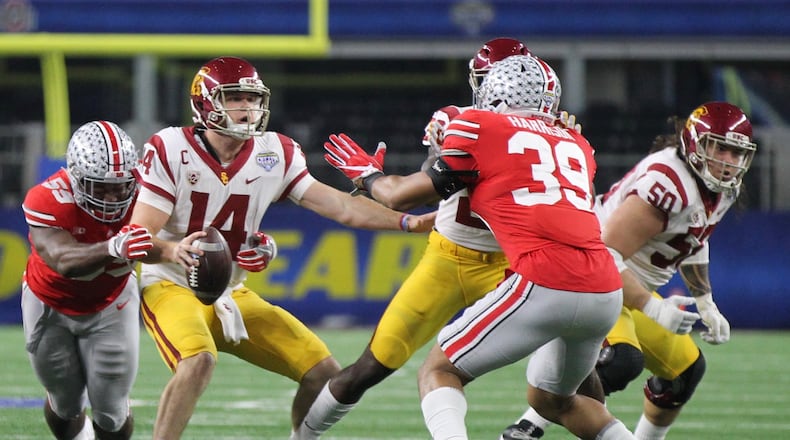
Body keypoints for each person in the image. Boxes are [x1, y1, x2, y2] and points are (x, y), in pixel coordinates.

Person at [129, 56, 435, 440]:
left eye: (253, 100)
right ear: (206, 103)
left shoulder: (275, 152)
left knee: (324, 374)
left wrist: (409, 221)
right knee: (198, 362)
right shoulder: (172, 147)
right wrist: (174, 251)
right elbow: (138, 237)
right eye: (235, 99)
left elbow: (340, 205)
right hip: (171, 285)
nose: (248, 109)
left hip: (232, 292)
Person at [291, 38, 552, 439]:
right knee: (371, 367)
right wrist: (383, 185)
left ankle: (530, 426)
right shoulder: (460, 120)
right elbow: (433, 179)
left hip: (510, 265)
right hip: (447, 258)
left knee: (571, 363)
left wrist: (376, 182)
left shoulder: (549, 130)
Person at [502, 101, 756, 440]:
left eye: (737, 153)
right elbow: (603, 256)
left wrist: (707, 302)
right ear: (696, 143)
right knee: (620, 361)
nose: (729, 162)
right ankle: (528, 426)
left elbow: (694, 238)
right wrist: (653, 307)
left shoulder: (718, 187)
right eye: (721, 148)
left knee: (685, 372)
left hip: (623, 285)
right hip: (591, 279)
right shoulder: (668, 184)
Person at [416, 54, 636, 439]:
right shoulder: (576, 141)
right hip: (603, 288)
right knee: (553, 400)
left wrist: (367, 177)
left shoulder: (478, 123)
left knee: (439, 369)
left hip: (545, 277)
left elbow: (405, 194)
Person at [21, 120, 152, 440]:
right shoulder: (48, 197)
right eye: (101, 186)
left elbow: (171, 241)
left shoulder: (149, 195)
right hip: (50, 303)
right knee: (65, 403)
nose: (113, 195)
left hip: (113, 302)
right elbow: (62, 260)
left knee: (112, 409)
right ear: (76, 178)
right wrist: (113, 247)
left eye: (121, 185)